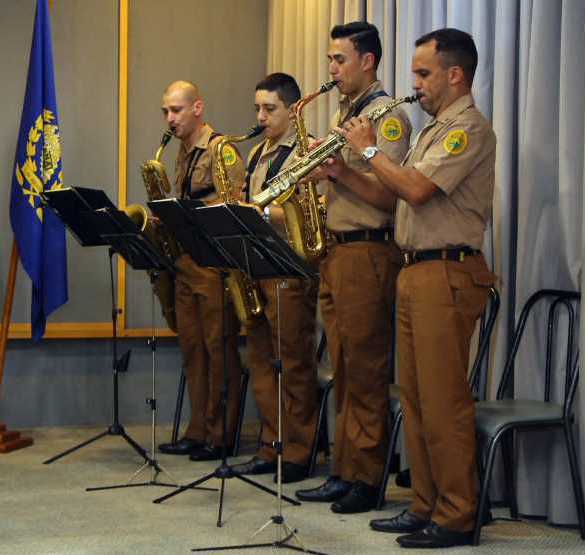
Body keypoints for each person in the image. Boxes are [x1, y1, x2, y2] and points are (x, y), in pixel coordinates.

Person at [336, 28, 498, 548]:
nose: (415, 84)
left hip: (446, 272)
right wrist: (345, 170)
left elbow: (418, 189)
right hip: (415, 270)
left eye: (424, 74)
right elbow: (396, 196)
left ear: (456, 74)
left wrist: (367, 148)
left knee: (443, 399)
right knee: (417, 398)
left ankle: (456, 514)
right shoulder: (433, 129)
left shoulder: (466, 128)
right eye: (415, 74)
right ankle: (426, 503)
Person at [292, 21, 411, 514]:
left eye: (339, 59)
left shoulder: (386, 117)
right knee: (342, 369)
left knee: (365, 370)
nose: (331, 68)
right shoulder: (347, 113)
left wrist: (339, 173)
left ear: (367, 61)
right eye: (329, 59)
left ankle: (366, 477)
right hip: (337, 251)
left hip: (368, 250)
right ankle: (343, 470)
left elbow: (390, 196)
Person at [227, 73, 319, 485]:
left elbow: (310, 209)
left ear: (293, 109)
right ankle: (271, 445)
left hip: (289, 270)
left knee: (293, 365)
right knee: (262, 365)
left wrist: (259, 212)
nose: (261, 117)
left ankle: (298, 452)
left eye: (270, 108)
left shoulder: (306, 150)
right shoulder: (257, 153)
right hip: (257, 267)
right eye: (257, 109)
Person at [156, 81, 244, 462]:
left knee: (218, 349)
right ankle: (198, 429)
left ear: (197, 108)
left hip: (215, 262)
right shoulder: (181, 151)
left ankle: (222, 434)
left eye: (176, 110)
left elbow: (233, 201)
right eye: (165, 112)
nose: (170, 118)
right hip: (186, 261)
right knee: (192, 350)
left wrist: (186, 213)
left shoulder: (221, 149)